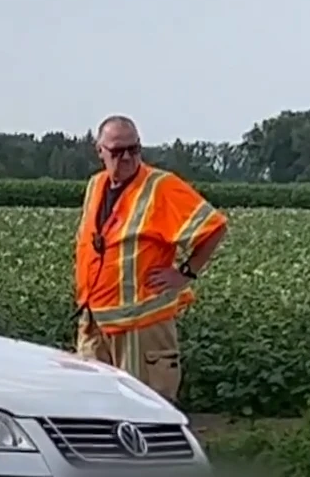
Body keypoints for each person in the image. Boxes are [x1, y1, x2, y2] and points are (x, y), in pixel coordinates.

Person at [72, 115, 227, 402]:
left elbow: (214, 227)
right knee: (93, 409)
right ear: (100, 151)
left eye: (134, 149)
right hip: (96, 322)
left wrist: (185, 273)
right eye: (118, 152)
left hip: (141, 326)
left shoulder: (161, 186)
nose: (127, 157)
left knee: (143, 412)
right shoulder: (96, 185)